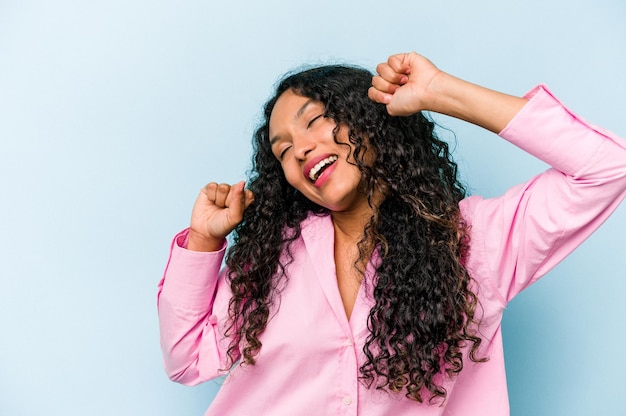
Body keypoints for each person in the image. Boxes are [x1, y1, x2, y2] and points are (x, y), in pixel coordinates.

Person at [157, 52, 626, 415]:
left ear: (368, 119)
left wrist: (440, 91)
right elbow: (187, 359)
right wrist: (204, 241)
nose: (299, 149)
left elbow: (607, 168)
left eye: (315, 121)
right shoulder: (271, 260)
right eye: (282, 151)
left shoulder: (474, 242)